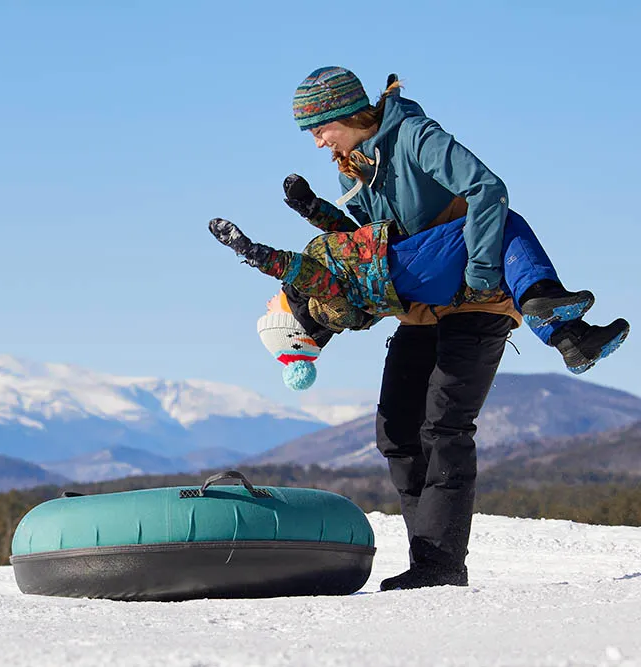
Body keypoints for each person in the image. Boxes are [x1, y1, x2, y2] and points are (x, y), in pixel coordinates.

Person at [266, 65, 625, 591]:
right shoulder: (353, 168)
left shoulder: (415, 136)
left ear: (345, 114)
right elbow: (374, 247)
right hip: (420, 305)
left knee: (444, 427)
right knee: (395, 432)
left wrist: (481, 272)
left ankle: (440, 565)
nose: (318, 143)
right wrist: (317, 212)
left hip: (479, 303)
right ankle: (428, 555)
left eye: (320, 129)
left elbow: (486, 188)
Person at [208, 192, 630, 375]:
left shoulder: (331, 299)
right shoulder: (325, 303)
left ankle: (569, 339)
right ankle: (543, 297)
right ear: (291, 326)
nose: (268, 304)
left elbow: (346, 236)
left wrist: (308, 206)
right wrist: (255, 253)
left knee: (501, 259)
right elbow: (305, 271)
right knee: (497, 222)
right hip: (405, 267)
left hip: (413, 277)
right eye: (270, 313)